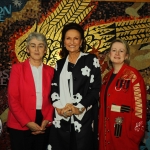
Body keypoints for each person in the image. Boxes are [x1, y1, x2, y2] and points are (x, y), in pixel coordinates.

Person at [47, 22, 101, 150]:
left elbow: (95, 90)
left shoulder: (91, 60)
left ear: (81, 41)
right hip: (61, 120)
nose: (72, 42)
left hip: (84, 121)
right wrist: (59, 107)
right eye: (68, 38)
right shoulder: (59, 64)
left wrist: (78, 108)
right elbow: (54, 88)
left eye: (76, 38)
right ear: (64, 41)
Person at [7, 32, 54, 150]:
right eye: (33, 46)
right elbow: (13, 99)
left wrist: (47, 120)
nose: (37, 49)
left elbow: (53, 98)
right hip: (20, 122)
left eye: (41, 46)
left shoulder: (51, 71)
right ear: (27, 49)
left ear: (45, 50)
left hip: (43, 121)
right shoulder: (17, 69)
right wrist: (28, 123)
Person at [98, 38, 146, 150]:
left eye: (121, 50)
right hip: (106, 135)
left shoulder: (133, 76)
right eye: (114, 50)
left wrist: (135, 135)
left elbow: (140, 108)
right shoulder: (106, 78)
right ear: (109, 54)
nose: (117, 53)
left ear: (127, 56)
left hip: (125, 136)